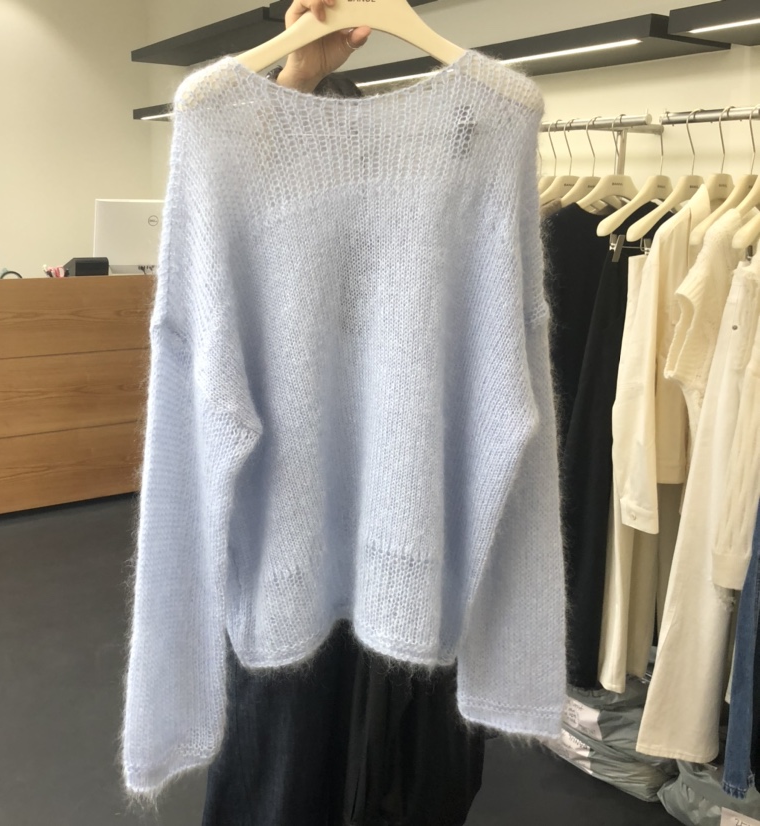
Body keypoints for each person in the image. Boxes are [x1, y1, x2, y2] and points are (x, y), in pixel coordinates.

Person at [200, 5, 489, 826]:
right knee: (285, 739)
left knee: (402, 747)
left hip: (407, 522)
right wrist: (299, 73)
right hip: (290, 523)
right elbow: (236, 203)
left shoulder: (430, 215)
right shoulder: (262, 212)